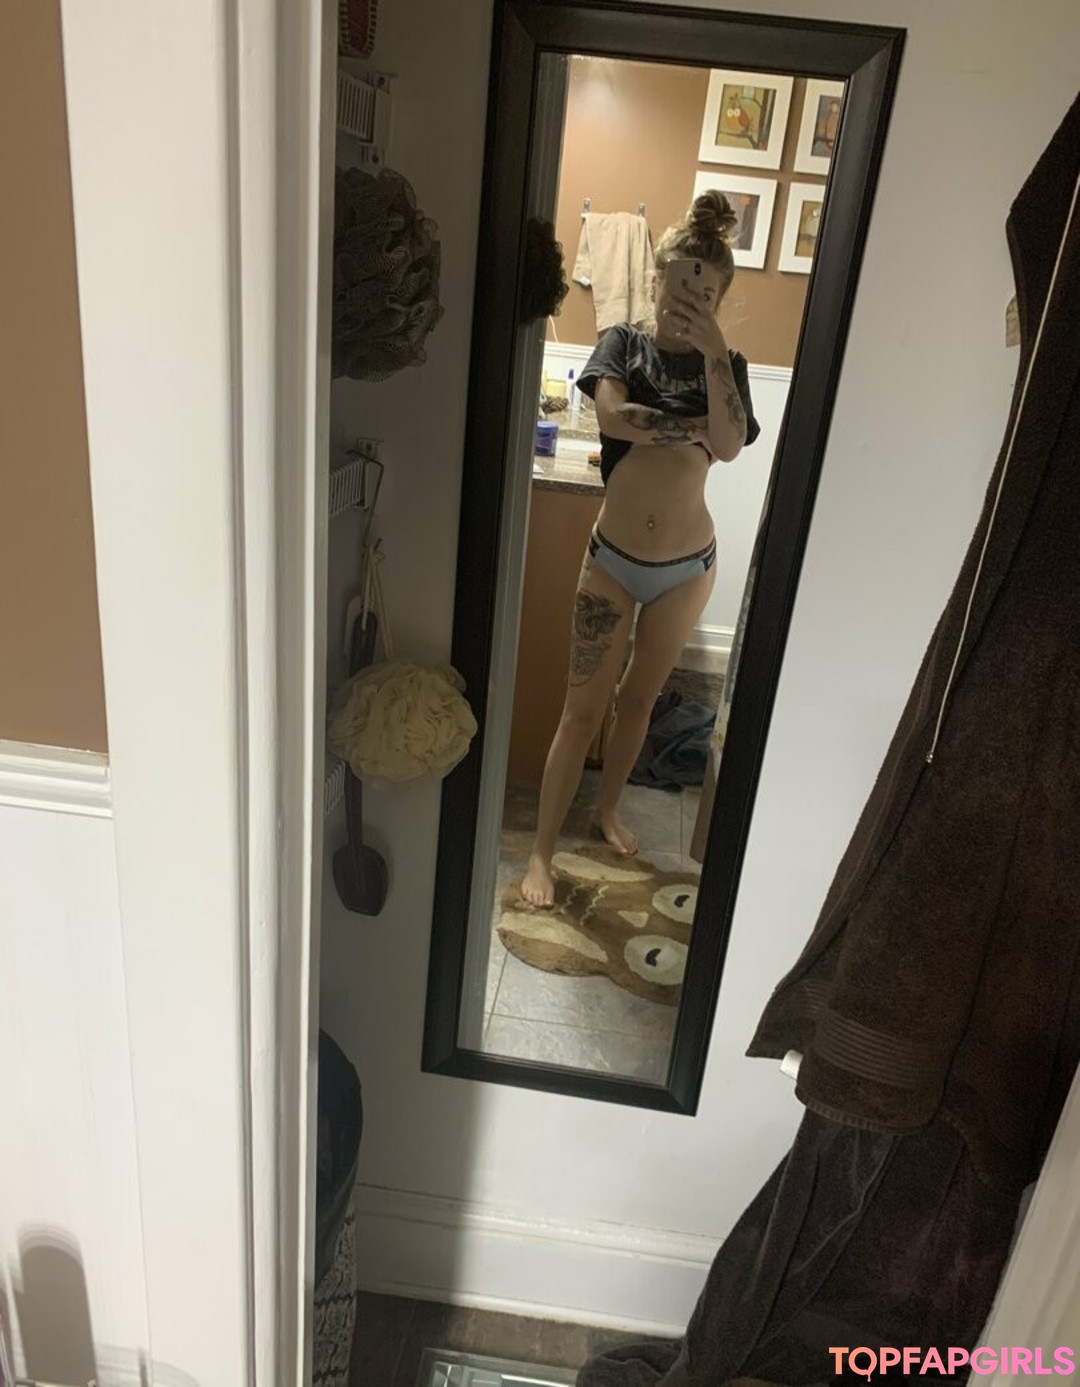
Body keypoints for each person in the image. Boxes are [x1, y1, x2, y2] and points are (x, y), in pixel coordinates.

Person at [520, 190, 760, 907]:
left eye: (705, 294)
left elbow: (729, 445)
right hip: (613, 563)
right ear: (657, 280)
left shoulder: (729, 365)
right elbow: (613, 419)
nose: (689, 302)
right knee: (580, 711)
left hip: (688, 570)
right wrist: (688, 428)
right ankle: (540, 853)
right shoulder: (624, 343)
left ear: (719, 300)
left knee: (637, 702)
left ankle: (608, 808)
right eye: (680, 285)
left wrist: (713, 353)